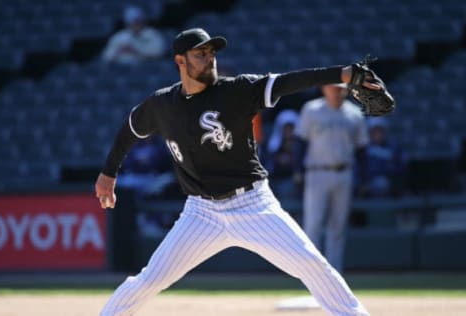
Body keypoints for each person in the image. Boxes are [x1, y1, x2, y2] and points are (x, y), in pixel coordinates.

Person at [95, 28, 377, 315]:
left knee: (314, 266)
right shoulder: (162, 104)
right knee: (149, 280)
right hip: (200, 213)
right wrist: (109, 172)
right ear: (180, 60)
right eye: (200, 54)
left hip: (252, 206)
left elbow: (289, 81)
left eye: (212, 53)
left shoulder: (237, 90)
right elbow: (129, 129)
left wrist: (342, 73)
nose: (210, 59)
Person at [294, 83, 369, 273]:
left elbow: (362, 149)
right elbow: (300, 142)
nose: (337, 91)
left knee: (338, 225)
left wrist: (364, 177)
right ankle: (312, 272)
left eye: (341, 88)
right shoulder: (311, 110)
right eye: (333, 87)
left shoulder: (354, 113)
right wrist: (297, 170)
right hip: (317, 172)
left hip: (345, 172)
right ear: (324, 89)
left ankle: (335, 272)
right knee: (314, 224)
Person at [102, 5, 166, 65]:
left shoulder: (152, 34)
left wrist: (135, 51)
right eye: (132, 22)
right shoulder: (119, 37)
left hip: (147, 68)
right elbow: (106, 57)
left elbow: (159, 53)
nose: (136, 25)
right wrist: (119, 50)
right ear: (127, 23)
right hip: (121, 69)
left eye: (138, 22)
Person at [365, 117, 407, 197]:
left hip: (389, 184)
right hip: (368, 184)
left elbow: (401, 167)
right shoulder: (364, 149)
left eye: (380, 131)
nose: (377, 134)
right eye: (374, 131)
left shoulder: (394, 148)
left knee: (382, 183)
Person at [265, 109, 300, 198]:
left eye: (291, 127)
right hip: (277, 181)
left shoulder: (300, 146)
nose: (288, 131)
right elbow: (269, 168)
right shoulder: (274, 146)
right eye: (286, 128)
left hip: (296, 184)